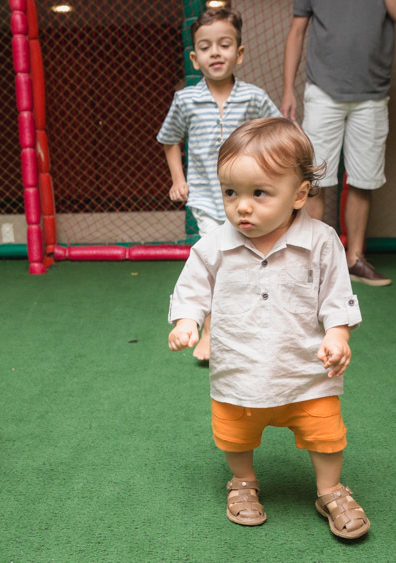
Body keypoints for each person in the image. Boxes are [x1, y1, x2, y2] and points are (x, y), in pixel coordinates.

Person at [168, 118, 369, 540]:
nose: (242, 206)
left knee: (326, 434)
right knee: (234, 433)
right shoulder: (213, 246)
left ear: (299, 195)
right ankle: (242, 481)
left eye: (259, 193)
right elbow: (192, 287)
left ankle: (330, 489)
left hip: (305, 371)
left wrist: (338, 334)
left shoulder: (321, 240)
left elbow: (337, 294)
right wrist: (188, 320)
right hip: (239, 369)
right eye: (231, 193)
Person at [158, 6, 280, 361]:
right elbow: (170, 139)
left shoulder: (254, 97)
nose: (216, 52)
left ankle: (257, 329)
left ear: (239, 54)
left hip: (248, 201)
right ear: (194, 58)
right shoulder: (186, 99)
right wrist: (178, 180)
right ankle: (208, 330)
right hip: (208, 200)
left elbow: (276, 134)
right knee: (215, 262)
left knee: (251, 262)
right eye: (206, 47)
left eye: (224, 45)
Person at [281, 0, 396, 287]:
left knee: (364, 180)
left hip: (372, 96)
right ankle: (310, 264)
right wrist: (287, 90)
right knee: (316, 181)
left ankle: (355, 260)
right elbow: (296, 32)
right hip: (323, 91)